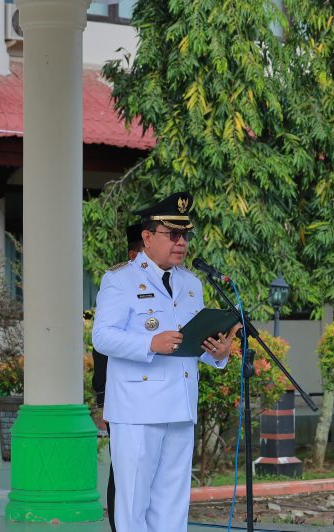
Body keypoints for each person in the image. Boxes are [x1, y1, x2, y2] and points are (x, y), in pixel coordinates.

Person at [92, 192, 241, 531]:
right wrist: (150, 343)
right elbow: (101, 337)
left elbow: (192, 340)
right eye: (172, 234)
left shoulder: (191, 283)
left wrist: (217, 354)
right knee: (133, 503)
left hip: (179, 405)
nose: (181, 242)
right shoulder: (120, 279)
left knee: (172, 504)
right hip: (137, 410)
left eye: (185, 235)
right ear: (147, 237)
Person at [91, 222, 144, 532]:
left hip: (153, 401)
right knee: (120, 473)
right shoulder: (119, 283)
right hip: (120, 399)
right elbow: (102, 352)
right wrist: (103, 400)